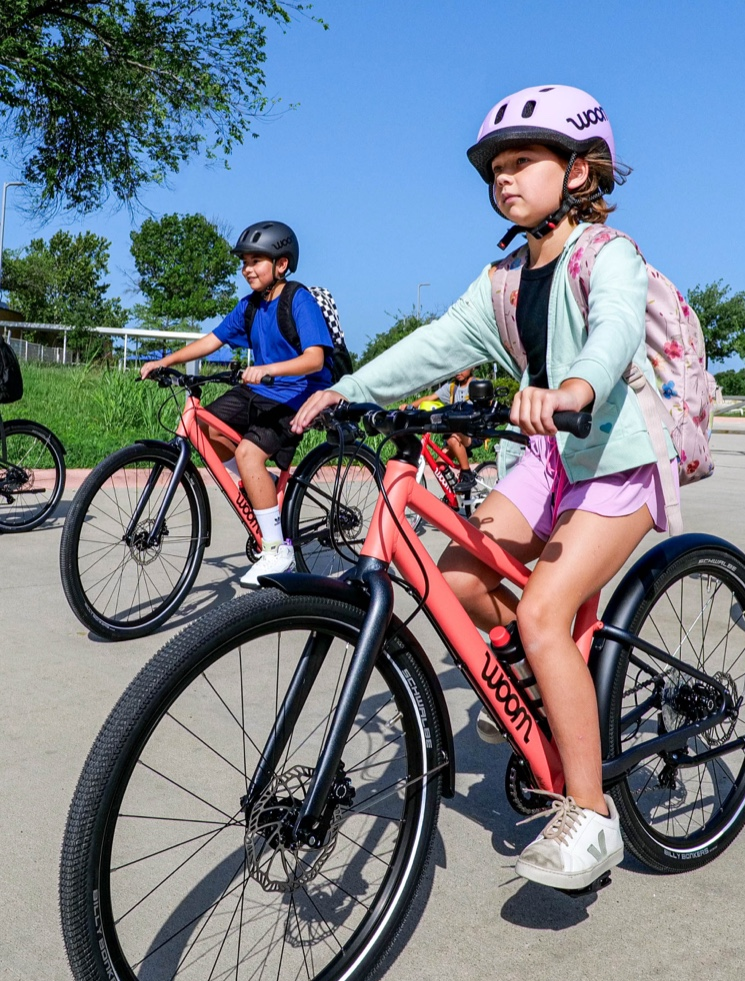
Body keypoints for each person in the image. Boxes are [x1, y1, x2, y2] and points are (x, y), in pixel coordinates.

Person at [292, 85, 678, 892]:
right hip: (546, 458)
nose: (505, 178)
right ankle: (550, 684)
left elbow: (611, 330)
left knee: (539, 609)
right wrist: (350, 387)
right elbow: (437, 343)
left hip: (616, 456)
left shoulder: (608, 254)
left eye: (523, 162)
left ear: (578, 171)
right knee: (457, 583)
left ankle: (590, 812)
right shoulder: (504, 279)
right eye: (496, 168)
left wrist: (572, 387)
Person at [141, 220, 333, 587]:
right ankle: (258, 486)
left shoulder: (298, 298)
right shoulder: (249, 307)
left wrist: (267, 369)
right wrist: (165, 362)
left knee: (247, 453)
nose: (247, 268)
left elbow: (315, 359)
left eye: (256, 260)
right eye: (244, 261)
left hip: (299, 394)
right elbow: (211, 341)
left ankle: (277, 550)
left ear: (282, 264)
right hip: (261, 389)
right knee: (202, 425)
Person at [410, 366, 477, 493]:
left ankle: (467, 475)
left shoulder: (476, 385)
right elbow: (430, 398)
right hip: (456, 434)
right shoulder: (452, 387)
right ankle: (454, 495)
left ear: (472, 366)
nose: (458, 371)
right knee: (439, 464)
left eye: (463, 367)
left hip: (473, 433)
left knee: (452, 438)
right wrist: (410, 406)